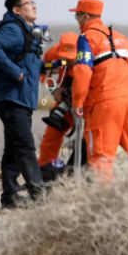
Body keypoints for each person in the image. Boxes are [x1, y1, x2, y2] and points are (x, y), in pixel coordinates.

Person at [70, 0, 128, 178]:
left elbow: (82, 70)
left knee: (101, 155)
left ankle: (104, 199)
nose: (76, 20)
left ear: (85, 16)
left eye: (77, 16)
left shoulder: (86, 38)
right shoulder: (122, 39)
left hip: (105, 102)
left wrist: (78, 102)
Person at [0, 0, 45, 208]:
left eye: (33, 2)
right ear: (16, 10)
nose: (34, 6)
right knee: (25, 146)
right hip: (12, 99)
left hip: (22, 99)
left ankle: (10, 196)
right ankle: (39, 195)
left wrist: (48, 67)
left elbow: (28, 62)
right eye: (28, 3)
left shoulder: (27, 32)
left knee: (13, 147)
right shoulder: (13, 29)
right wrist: (15, 73)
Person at [37, 32, 79, 180]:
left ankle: (79, 172)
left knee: (87, 140)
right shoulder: (53, 53)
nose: (66, 61)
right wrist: (53, 90)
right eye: (64, 58)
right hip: (64, 100)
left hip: (85, 101)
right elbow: (43, 72)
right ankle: (44, 170)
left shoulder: (87, 59)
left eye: (70, 59)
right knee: (52, 132)